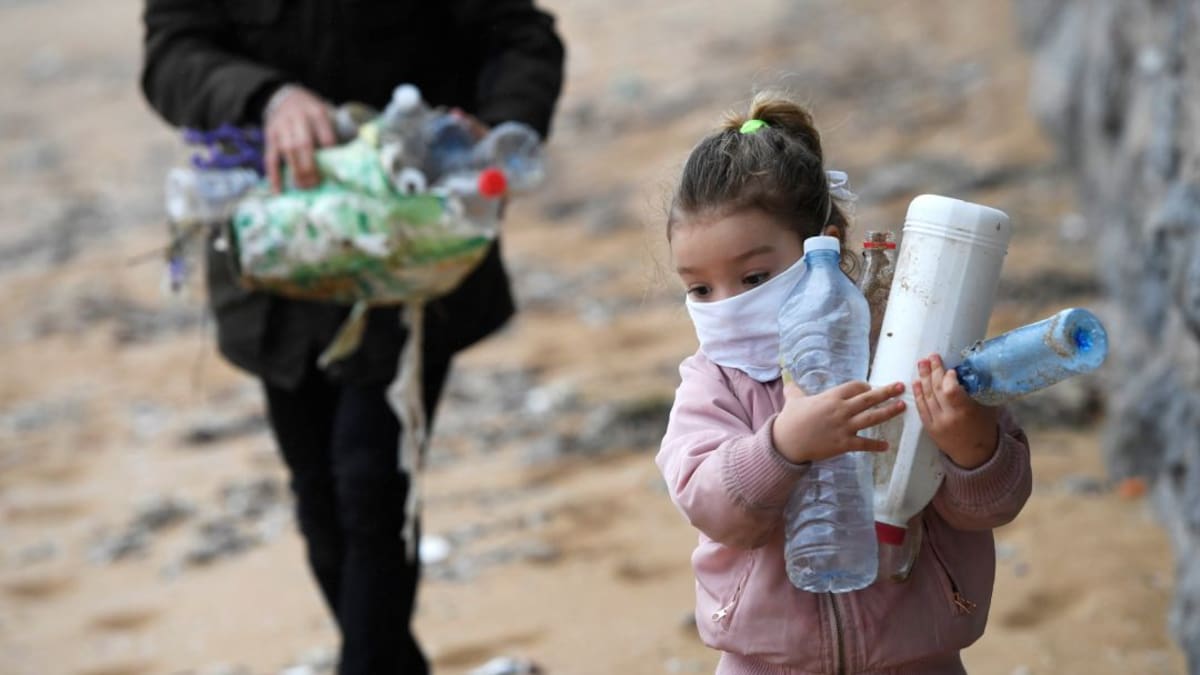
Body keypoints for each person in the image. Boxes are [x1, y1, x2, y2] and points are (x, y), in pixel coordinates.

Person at [140, 3, 564, 673]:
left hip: (409, 248)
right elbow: (169, 54)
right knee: (319, 496)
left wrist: (501, 136)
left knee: (370, 488)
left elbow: (522, 36)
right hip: (270, 252)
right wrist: (269, 99)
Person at [656, 92, 1032, 674]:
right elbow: (712, 507)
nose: (726, 304)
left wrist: (971, 446)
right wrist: (782, 446)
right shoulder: (713, 383)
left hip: (918, 656)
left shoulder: (908, 348)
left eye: (753, 277)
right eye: (700, 288)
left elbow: (995, 504)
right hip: (766, 663)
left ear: (824, 246)